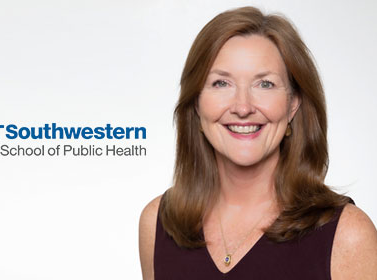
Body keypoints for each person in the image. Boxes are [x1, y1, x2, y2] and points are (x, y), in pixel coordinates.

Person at [139, 6, 377, 280]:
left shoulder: (348, 235)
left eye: (264, 84)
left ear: (292, 105)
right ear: (196, 102)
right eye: (221, 83)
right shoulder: (157, 224)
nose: (243, 107)